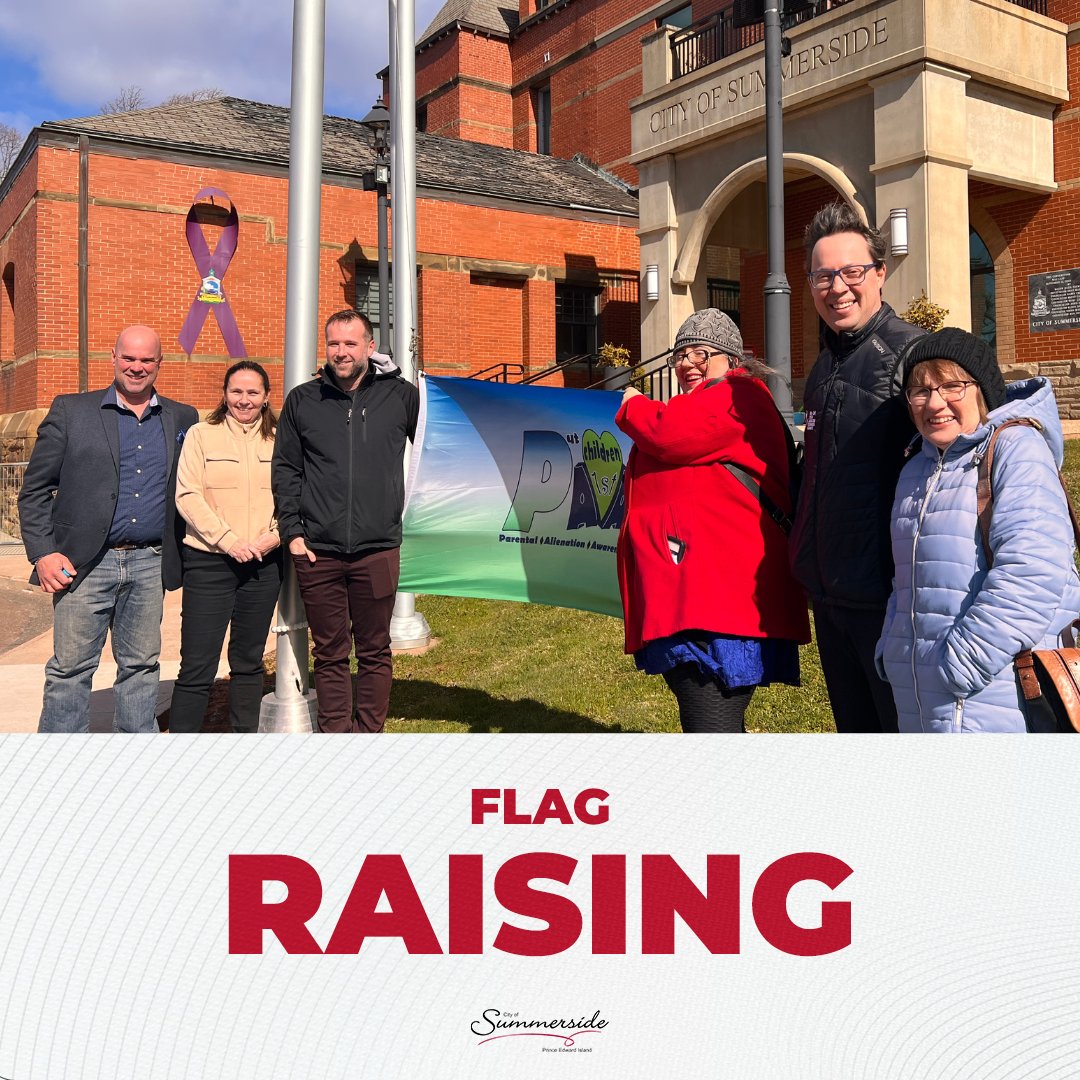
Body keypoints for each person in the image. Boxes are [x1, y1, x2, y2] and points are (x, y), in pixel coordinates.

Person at [615, 308, 810, 732]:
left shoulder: (739, 396)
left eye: (701, 353)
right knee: (709, 720)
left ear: (731, 360)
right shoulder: (702, 403)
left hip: (719, 602)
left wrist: (633, 405)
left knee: (709, 722)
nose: (687, 364)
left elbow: (667, 435)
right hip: (700, 597)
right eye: (680, 355)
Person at [876, 329, 1080, 732]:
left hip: (995, 689)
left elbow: (1031, 573)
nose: (935, 403)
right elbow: (909, 582)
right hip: (923, 692)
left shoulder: (1016, 449)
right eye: (920, 391)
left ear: (981, 390)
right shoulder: (916, 467)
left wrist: (962, 664)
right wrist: (893, 648)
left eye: (952, 385)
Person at [18, 325, 199, 733]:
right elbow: (34, 491)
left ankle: (133, 760)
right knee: (70, 670)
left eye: (146, 360)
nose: (137, 367)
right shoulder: (71, 410)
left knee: (141, 667)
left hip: (150, 564)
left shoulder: (182, 417)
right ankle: (62, 761)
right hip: (83, 564)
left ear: (159, 364)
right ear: (113, 358)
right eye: (129, 358)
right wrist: (43, 552)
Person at [789, 201, 926, 732]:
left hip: (888, 601)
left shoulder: (913, 355)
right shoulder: (824, 365)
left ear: (880, 274)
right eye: (823, 276)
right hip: (830, 595)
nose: (838, 287)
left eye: (851, 272)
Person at [272, 309, 419, 733]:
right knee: (331, 651)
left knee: (375, 650)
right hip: (318, 551)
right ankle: (336, 736)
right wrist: (293, 534)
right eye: (334, 343)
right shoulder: (304, 399)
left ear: (369, 347)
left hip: (378, 549)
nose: (341, 352)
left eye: (350, 343)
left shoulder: (401, 396)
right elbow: (286, 470)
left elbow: (438, 443)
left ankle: (369, 733)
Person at [171, 361, 282, 733]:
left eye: (253, 393)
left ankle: (243, 742)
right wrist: (229, 541)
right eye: (236, 391)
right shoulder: (201, 435)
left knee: (249, 661)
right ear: (224, 394)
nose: (244, 400)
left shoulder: (281, 438)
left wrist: (275, 536)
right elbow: (187, 495)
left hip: (264, 564)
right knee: (197, 666)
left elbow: (297, 495)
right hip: (210, 563)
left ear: (266, 397)